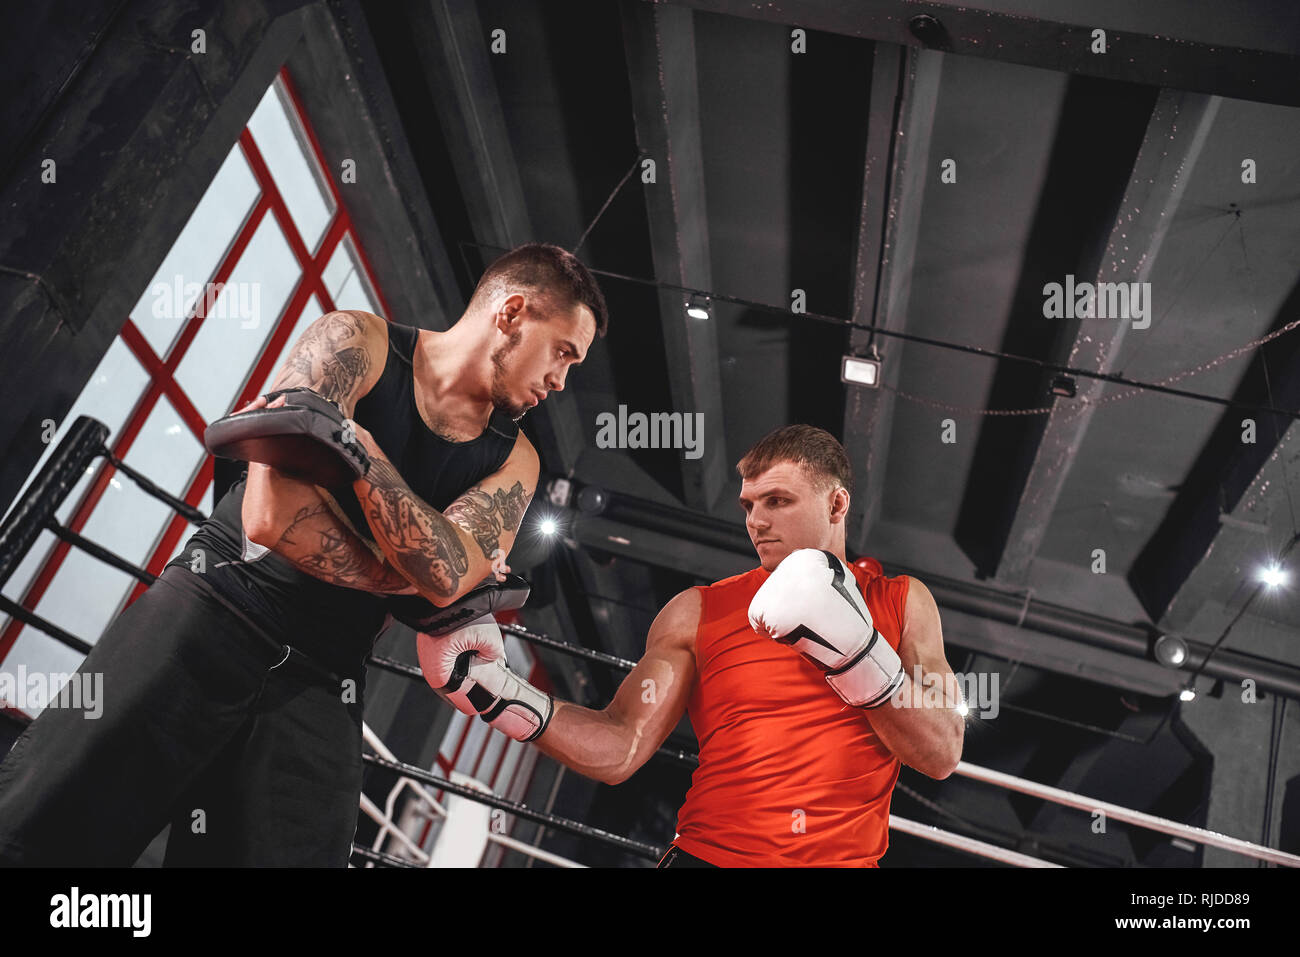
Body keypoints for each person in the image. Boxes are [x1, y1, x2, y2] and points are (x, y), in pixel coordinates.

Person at [0, 242, 606, 867]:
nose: (562, 380)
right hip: (215, 605)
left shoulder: (516, 459)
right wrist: (406, 575)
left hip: (325, 672)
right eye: (564, 351)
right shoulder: (354, 343)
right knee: (45, 831)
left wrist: (358, 452)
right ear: (512, 312)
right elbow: (271, 520)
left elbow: (447, 575)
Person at [436, 425, 964, 867]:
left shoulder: (901, 600)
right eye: (749, 505)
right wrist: (499, 694)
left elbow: (942, 752)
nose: (757, 521)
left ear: (837, 503)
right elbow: (621, 745)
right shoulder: (698, 611)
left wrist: (860, 655)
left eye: (778, 501)